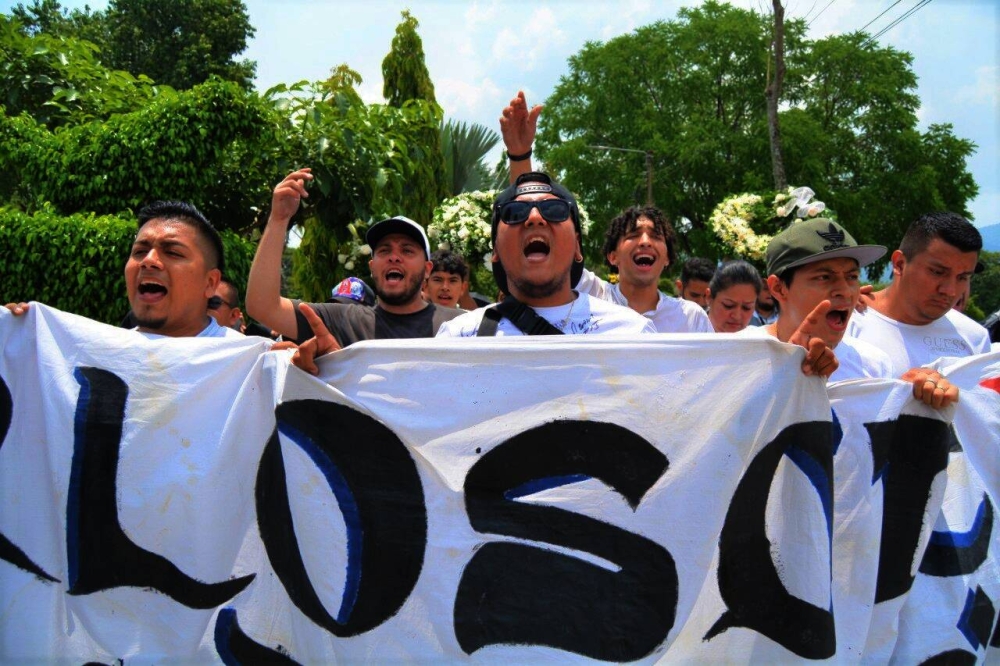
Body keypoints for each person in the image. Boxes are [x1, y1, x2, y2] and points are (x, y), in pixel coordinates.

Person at [499, 94, 710, 333]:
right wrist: (520, 155)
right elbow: (528, 218)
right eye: (632, 235)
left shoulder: (691, 318)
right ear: (612, 256)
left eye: (656, 236)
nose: (645, 242)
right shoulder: (592, 293)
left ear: (668, 257)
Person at [740, 217, 958, 405]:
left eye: (852, 277)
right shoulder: (739, 356)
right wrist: (786, 371)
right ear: (778, 288)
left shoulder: (873, 363)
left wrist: (912, 396)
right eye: (824, 277)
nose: (844, 291)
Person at [245, 168, 463, 347]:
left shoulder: (461, 327)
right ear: (371, 266)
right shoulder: (342, 321)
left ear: (427, 269)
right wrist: (278, 219)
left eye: (407, 250)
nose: (394, 257)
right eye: (384, 250)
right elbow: (262, 306)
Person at [436, 172, 655, 337]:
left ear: (578, 246)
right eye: (514, 212)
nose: (534, 217)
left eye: (554, 209)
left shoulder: (632, 335)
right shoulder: (458, 338)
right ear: (495, 251)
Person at [7, 201, 241, 339]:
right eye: (139, 251)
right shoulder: (95, 355)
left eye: (172, 252)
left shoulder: (249, 366)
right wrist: (13, 333)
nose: (148, 261)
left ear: (210, 283)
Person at [846, 212, 990, 373]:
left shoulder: (975, 337)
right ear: (899, 264)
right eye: (937, 272)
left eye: (962, 277)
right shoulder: (845, 324)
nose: (950, 290)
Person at [707, 261, 761, 333]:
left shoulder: (759, 339)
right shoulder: (689, 332)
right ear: (709, 297)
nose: (737, 316)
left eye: (746, 308)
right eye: (728, 306)